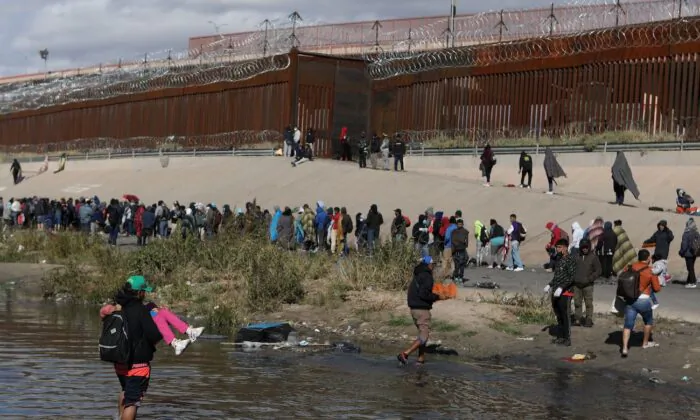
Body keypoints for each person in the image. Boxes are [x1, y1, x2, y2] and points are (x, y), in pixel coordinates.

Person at [109, 276, 163, 420]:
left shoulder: (118, 307)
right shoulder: (141, 310)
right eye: (144, 291)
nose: (145, 294)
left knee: (126, 392)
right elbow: (155, 335)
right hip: (138, 365)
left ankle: (119, 417)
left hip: (120, 363)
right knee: (132, 401)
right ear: (139, 293)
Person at [101, 299, 204, 356]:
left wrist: (153, 308)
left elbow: (143, 309)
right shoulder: (118, 310)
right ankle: (179, 339)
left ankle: (186, 333)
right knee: (159, 313)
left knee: (161, 312)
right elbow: (105, 312)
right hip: (135, 339)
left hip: (140, 335)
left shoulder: (133, 305)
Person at [397, 256, 449, 366]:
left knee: (422, 334)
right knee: (424, 336)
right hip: (421, 310)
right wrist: (438, 297)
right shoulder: (427, 276)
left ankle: (420, 359)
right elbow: (423, 294)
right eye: (432, 264)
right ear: (428, 265)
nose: (433, 266)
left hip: (414, 309)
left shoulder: (418, 275)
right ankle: (405, 354)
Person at [620, 249, 661, 358]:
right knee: (648, 321)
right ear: (648, 259)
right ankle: (645, 343)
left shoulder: (629, 267)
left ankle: (624, 348)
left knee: (628, 324)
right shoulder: (650, 270)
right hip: (644, 300)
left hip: (630, 300)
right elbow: (657, 288)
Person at [543, 238, 576, 346]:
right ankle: (560, 336)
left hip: (566, 291)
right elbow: (557, 276)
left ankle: (567, 338)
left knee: (565, 314)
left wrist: (562, 287)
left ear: (565, 247)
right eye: (557, 247)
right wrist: (550, 284)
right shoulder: (559, 259)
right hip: (556, 290)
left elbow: (571, 277)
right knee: (558, 313)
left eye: (559, 247)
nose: (557, 249)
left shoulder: (570, 259)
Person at [572, 238, 601, 327]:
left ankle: (588, 319)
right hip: (576, 285)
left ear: (589, 247)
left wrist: (590, 278)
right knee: (577, 303)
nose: (585, 249)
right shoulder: (576, 256)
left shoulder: (593, 257)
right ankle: (578, 319)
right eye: (583, 247)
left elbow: (599, 270)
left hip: (588, 285)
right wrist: (573, 278)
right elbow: (571, 268)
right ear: (580, 247)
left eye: (586, 247)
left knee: (588, 303)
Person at [679, 218, 700, 289]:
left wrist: (681, 252)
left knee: (690, 268)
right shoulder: (696, 232)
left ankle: (692, 282)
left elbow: (684, 245)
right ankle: (689, 281)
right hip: (695, 252)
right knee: (691, 267)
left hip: (688, 253)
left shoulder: (686, 233)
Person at [450, 218, 469, 285]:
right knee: (457, 265)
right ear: (456, 224)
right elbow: (452, 241)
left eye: (461, 224)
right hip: (455, 251)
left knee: (462, 265)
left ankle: (460, 277)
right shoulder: (454, 232)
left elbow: (466, 243)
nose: (459, 225)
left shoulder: (465, 232)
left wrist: (462, 244)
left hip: (462, 250)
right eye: (458, 224)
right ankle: (456, 277)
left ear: (462, 224)